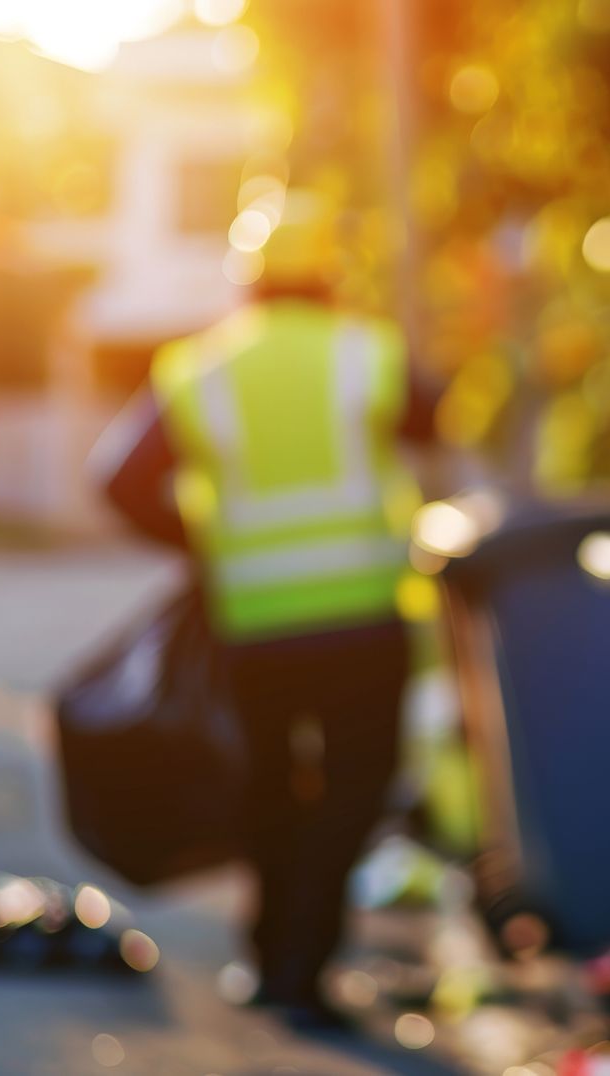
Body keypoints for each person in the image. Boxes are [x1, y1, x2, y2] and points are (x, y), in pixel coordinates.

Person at [92, 188, 424, 1030]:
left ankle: (273, 959)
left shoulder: (201, 368)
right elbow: (437, 415)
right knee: (354, 790)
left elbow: (119, 480)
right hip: (361, 615)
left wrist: (205, 545)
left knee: (271, 792)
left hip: (256, 625)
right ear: (329, 277)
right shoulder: (366, 353)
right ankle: (300, 965)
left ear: (248, 282)